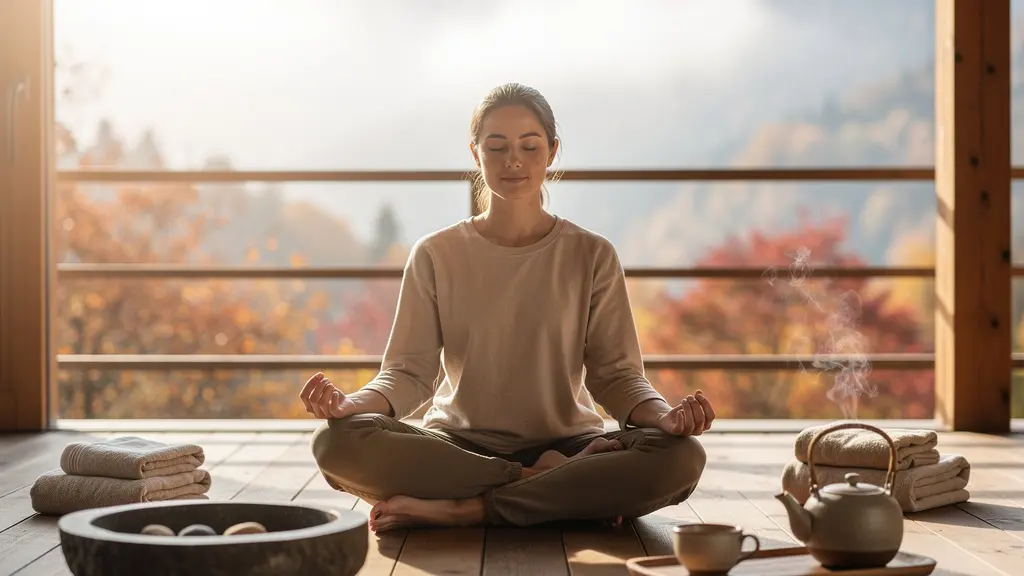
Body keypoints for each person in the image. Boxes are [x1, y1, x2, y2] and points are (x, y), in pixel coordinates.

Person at [300, 82, 714, 533]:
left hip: (572, 445)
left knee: (681, 456)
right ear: (475, 153)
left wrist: (665, 416)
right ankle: (540, 489)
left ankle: (467, 508)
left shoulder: (592, 254)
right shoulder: (435, 253)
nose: (513, 160)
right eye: (496, 146)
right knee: (335, 443)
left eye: (529, 146)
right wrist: (351, 404)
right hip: (457, 449)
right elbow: (407, 373)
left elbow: (617, 376)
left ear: (552, 152)